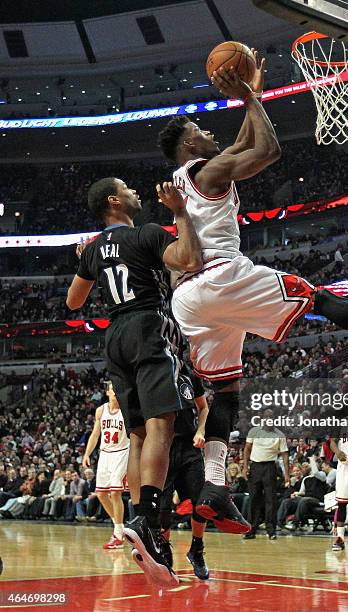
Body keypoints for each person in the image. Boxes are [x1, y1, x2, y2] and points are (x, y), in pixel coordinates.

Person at [157, 55, 348, 534]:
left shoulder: (182, 181)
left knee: (227, 392)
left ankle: (213, 486)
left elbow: (240, 143)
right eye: (201, 131)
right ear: (190, 142)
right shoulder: (207, 170)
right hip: (221, 278)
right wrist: (250, 96)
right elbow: (267, 150)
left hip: (188, 299)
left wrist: (252, 95)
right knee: (318, 299)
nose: (211, 135)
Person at [66, 178, 201, 586]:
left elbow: (74, 302)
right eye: (127, 189)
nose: (136, 193)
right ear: (114, 200)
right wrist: (180, 212)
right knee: (163, 424)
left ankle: (147, 529)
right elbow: (189, 259)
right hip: (148, 324)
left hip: (115, 336)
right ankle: (147, 520)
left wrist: (86, 262)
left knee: (138, 433)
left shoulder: (92, 250)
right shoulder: (146, 234)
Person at [157, 368, 210, 580]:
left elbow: (204, 408)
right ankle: (164, 550)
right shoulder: (154, 373)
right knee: (162, 510)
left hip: (189, 447)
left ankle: (197, 549)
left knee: (201, 503)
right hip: (162, 447)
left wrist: (201, 431)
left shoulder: (190, 376)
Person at [82, 382, 130, 549]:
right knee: (101, 494)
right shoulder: (101, 410)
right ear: (108, 392)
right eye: (113, 389)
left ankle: (118, 534)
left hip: (122, 452)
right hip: (105, 454)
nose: (116, 392)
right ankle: (119, 526)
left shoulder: (126, 410)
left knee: (115, 492)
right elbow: (96, 434)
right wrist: (87, 454)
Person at [242, 410, 289, 539]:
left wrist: (287, 474)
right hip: (255, 466)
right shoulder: (254, 431)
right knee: (253, 499)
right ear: (262, 418)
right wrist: (245, 466)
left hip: (270, 467)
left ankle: (271, 530)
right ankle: (251, 530)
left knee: (271, 500)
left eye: (271, 416)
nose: (269, 418)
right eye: (266, 416)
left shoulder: (280, 434)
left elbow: (285, 455)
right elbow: (247, 448)